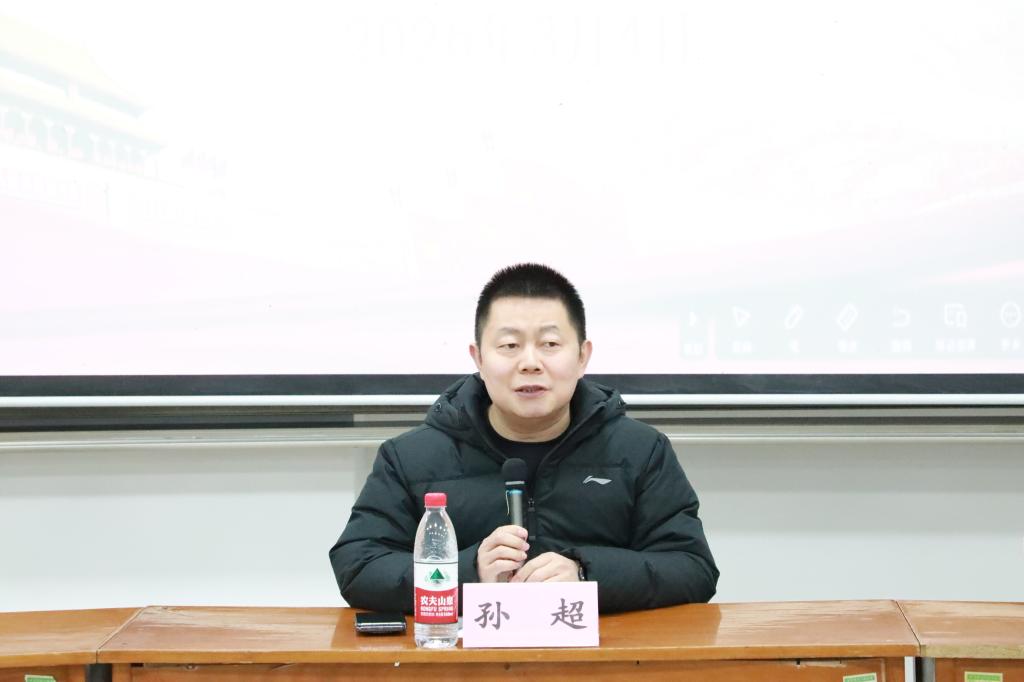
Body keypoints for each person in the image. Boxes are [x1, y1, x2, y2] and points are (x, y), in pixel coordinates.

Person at [329, 263, 718, 613]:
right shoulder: (411, 457)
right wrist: (469, 571)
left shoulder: (640, 451)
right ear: (479, 358)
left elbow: (692, 568)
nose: (530, 362)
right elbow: (359, 567)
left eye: (550, 344)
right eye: (510, 346)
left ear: (582, 356)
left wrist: (586, 574)